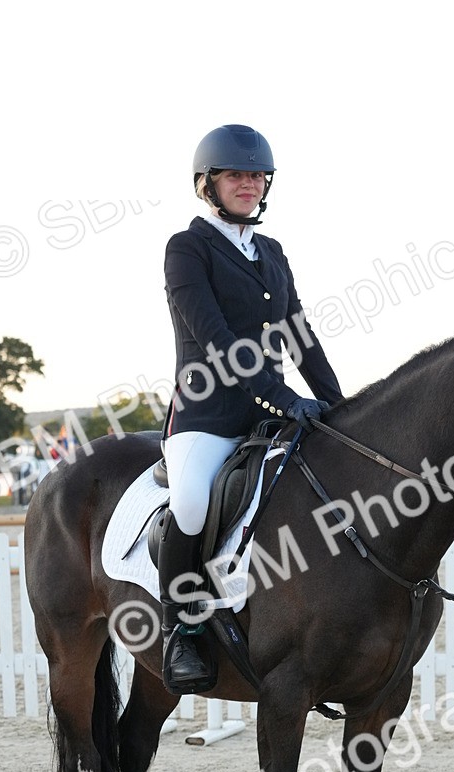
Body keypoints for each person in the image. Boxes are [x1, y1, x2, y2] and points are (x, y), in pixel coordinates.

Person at [159, 123, 343, 693]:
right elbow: (216, 340)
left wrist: (340, 405)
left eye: (257, 174)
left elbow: (299, 334)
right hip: (207, 417)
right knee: (190, 503)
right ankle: (181, 630)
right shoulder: (187, 249)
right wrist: (287, 399)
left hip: (270, 417)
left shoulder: (272, 252)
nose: (249, 183)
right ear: (207, 184)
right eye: (235, 174)